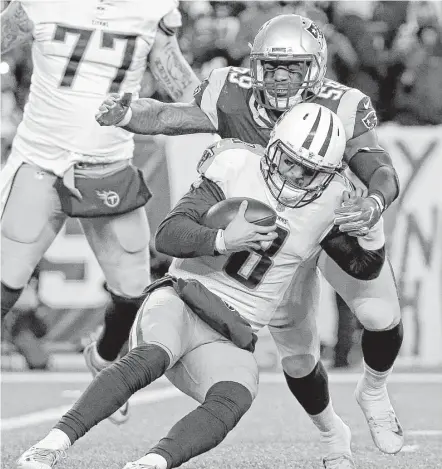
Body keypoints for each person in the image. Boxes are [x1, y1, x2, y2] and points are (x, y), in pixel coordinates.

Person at [97, 14, 404, 454]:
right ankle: (330, 430)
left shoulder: (344, 103)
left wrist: (372, 204)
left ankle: (373, 390)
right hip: (271, 236)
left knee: (379, 316)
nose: (279, 77)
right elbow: (169, 115)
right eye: (271, 66)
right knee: (298, 355)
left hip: (326, 222)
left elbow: (379, 167)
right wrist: (129, 112)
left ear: (315, 68)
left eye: (293, 67)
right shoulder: (231, 91)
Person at [17, 103, 387, 469]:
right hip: (181, 299)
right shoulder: (235, 165)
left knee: (237, 395)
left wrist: (369, 232)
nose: (292, 174)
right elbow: (168, 235)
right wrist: (223, 240)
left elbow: (363, 268)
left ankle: (153, 463)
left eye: (307, 171)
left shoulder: (331, 200)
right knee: (152, 355)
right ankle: (50, 445)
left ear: (325, 174)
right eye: (288, 160)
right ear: (273, 145)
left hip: (231, 333)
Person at [0, 0, 200, 424]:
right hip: (41, 160)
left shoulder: (152, 9)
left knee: (132, 292)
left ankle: (105, 357)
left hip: (108, 162)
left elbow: (182, 87)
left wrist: (223, 112)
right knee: (6, 277)